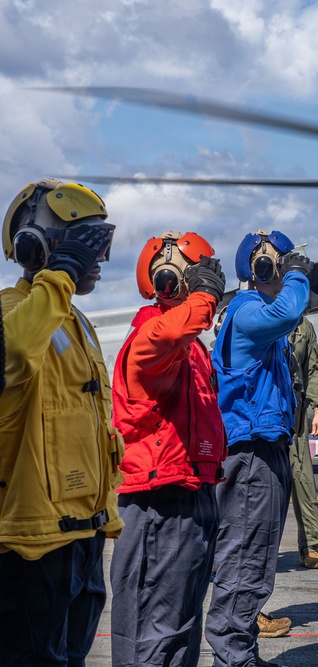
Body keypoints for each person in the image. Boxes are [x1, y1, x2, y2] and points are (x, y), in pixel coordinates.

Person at [0, 179, 123, 665]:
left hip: (82, 540)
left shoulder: (77, 322)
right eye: (87, 245)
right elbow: (11, 354)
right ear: (38, 245)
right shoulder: (12, 311)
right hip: (30, 550)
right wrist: (62, 271)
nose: (99, 259)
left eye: (101, 244)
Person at [109, 231, 228, 666]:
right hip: (158, 506)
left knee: (178, 632)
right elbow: (167, 334)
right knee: (152, 636)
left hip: (192, 497)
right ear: (167, 281)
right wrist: (204, 296)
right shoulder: (150, 338)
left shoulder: (192, 350)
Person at [204, 230, 313, 667]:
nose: (286, 272)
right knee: (245, 559)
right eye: (280, 264)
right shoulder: (249, 310)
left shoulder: (256, 314)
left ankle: (238, 654)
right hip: (249, 455)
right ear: (264, 267)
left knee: (255, 559)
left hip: (264, 451)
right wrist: (300, 276)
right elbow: (288, 312)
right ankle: (233, 658)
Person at [288, 315, 318, 569]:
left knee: (302, 478)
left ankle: (310, 546)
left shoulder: (303, 325)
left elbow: (313, 367)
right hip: (259, 409)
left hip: (294, 412)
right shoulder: (254, 312)